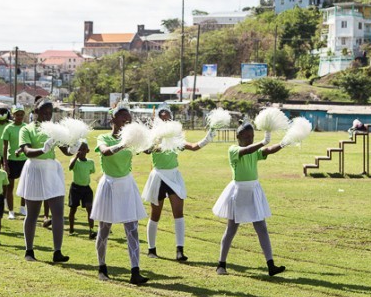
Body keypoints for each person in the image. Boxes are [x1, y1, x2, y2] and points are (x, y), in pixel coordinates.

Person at [212, 122, 286, 277]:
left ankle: (270, 265)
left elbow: (267, 151)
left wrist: (283, 143)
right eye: (246, 136)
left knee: (262, 228)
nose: (250, 139)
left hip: (253, 190)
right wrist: (263, 141)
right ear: (238, 136)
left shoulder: (254, 150)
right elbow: (246, 150)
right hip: (239, 192)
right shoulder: (234, 150)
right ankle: (221, 264)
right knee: (232, 228)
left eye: (252, 136)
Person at [142, 105, 214, 261]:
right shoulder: (153, 137)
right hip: (158, 176)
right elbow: (146, 150)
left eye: (167, 115)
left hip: (173, 176)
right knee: (155, 214)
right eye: (162, 116)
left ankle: (179, 250)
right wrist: (156, 144)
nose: (165, 118)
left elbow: (193, 147)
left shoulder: (176, 137)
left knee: (178, 213)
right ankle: (151, 249)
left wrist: (208, 137)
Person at [90, 103, 149, 284]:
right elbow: (106, 152)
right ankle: (102, 267)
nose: (126, 121)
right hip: (109, 185)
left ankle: (135, 270)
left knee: (132, 229)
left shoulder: (131, 139)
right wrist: (123, 144)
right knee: (104, 228)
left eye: (129, 119)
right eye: (123, 118)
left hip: (127, 185)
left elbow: (148, 149)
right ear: (112, 119)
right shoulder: (103, 138)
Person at [16, 97, 72, 263]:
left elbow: (65, 149)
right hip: (35, 169)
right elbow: (26, 151)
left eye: (50, 113)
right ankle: (29, 250)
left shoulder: (54, 129)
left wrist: (73, 149)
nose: (48, 116)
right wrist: (42, 149)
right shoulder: (27, 129)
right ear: (36, 112)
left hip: (52, 170)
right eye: (44, 112)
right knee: (33, 213)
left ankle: (57, 251)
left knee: (58, 212)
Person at [2, 104, 27, 220]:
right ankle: (11, 211)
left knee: (25, 186)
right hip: (12, 160)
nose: (19, 117)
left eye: (21, 115)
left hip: (24, 160)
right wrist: (5, 163)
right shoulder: (8, 128)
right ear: (13, 115)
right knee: (10, 186)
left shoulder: (26, 127)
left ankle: (23, 207)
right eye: (17, 115)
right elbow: (5, 147)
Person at [68, 140, 95, 238]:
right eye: (80, 149)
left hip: (86, 188)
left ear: (87, 150)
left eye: (84, 149)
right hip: (75, 188)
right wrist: (75, 157)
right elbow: (70, 167)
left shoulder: (91, 162)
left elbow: (91, 171)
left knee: (89, 208)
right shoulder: (74, 161)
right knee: (73, 209)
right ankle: (71, 229)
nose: (82, 151)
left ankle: (91, 230)